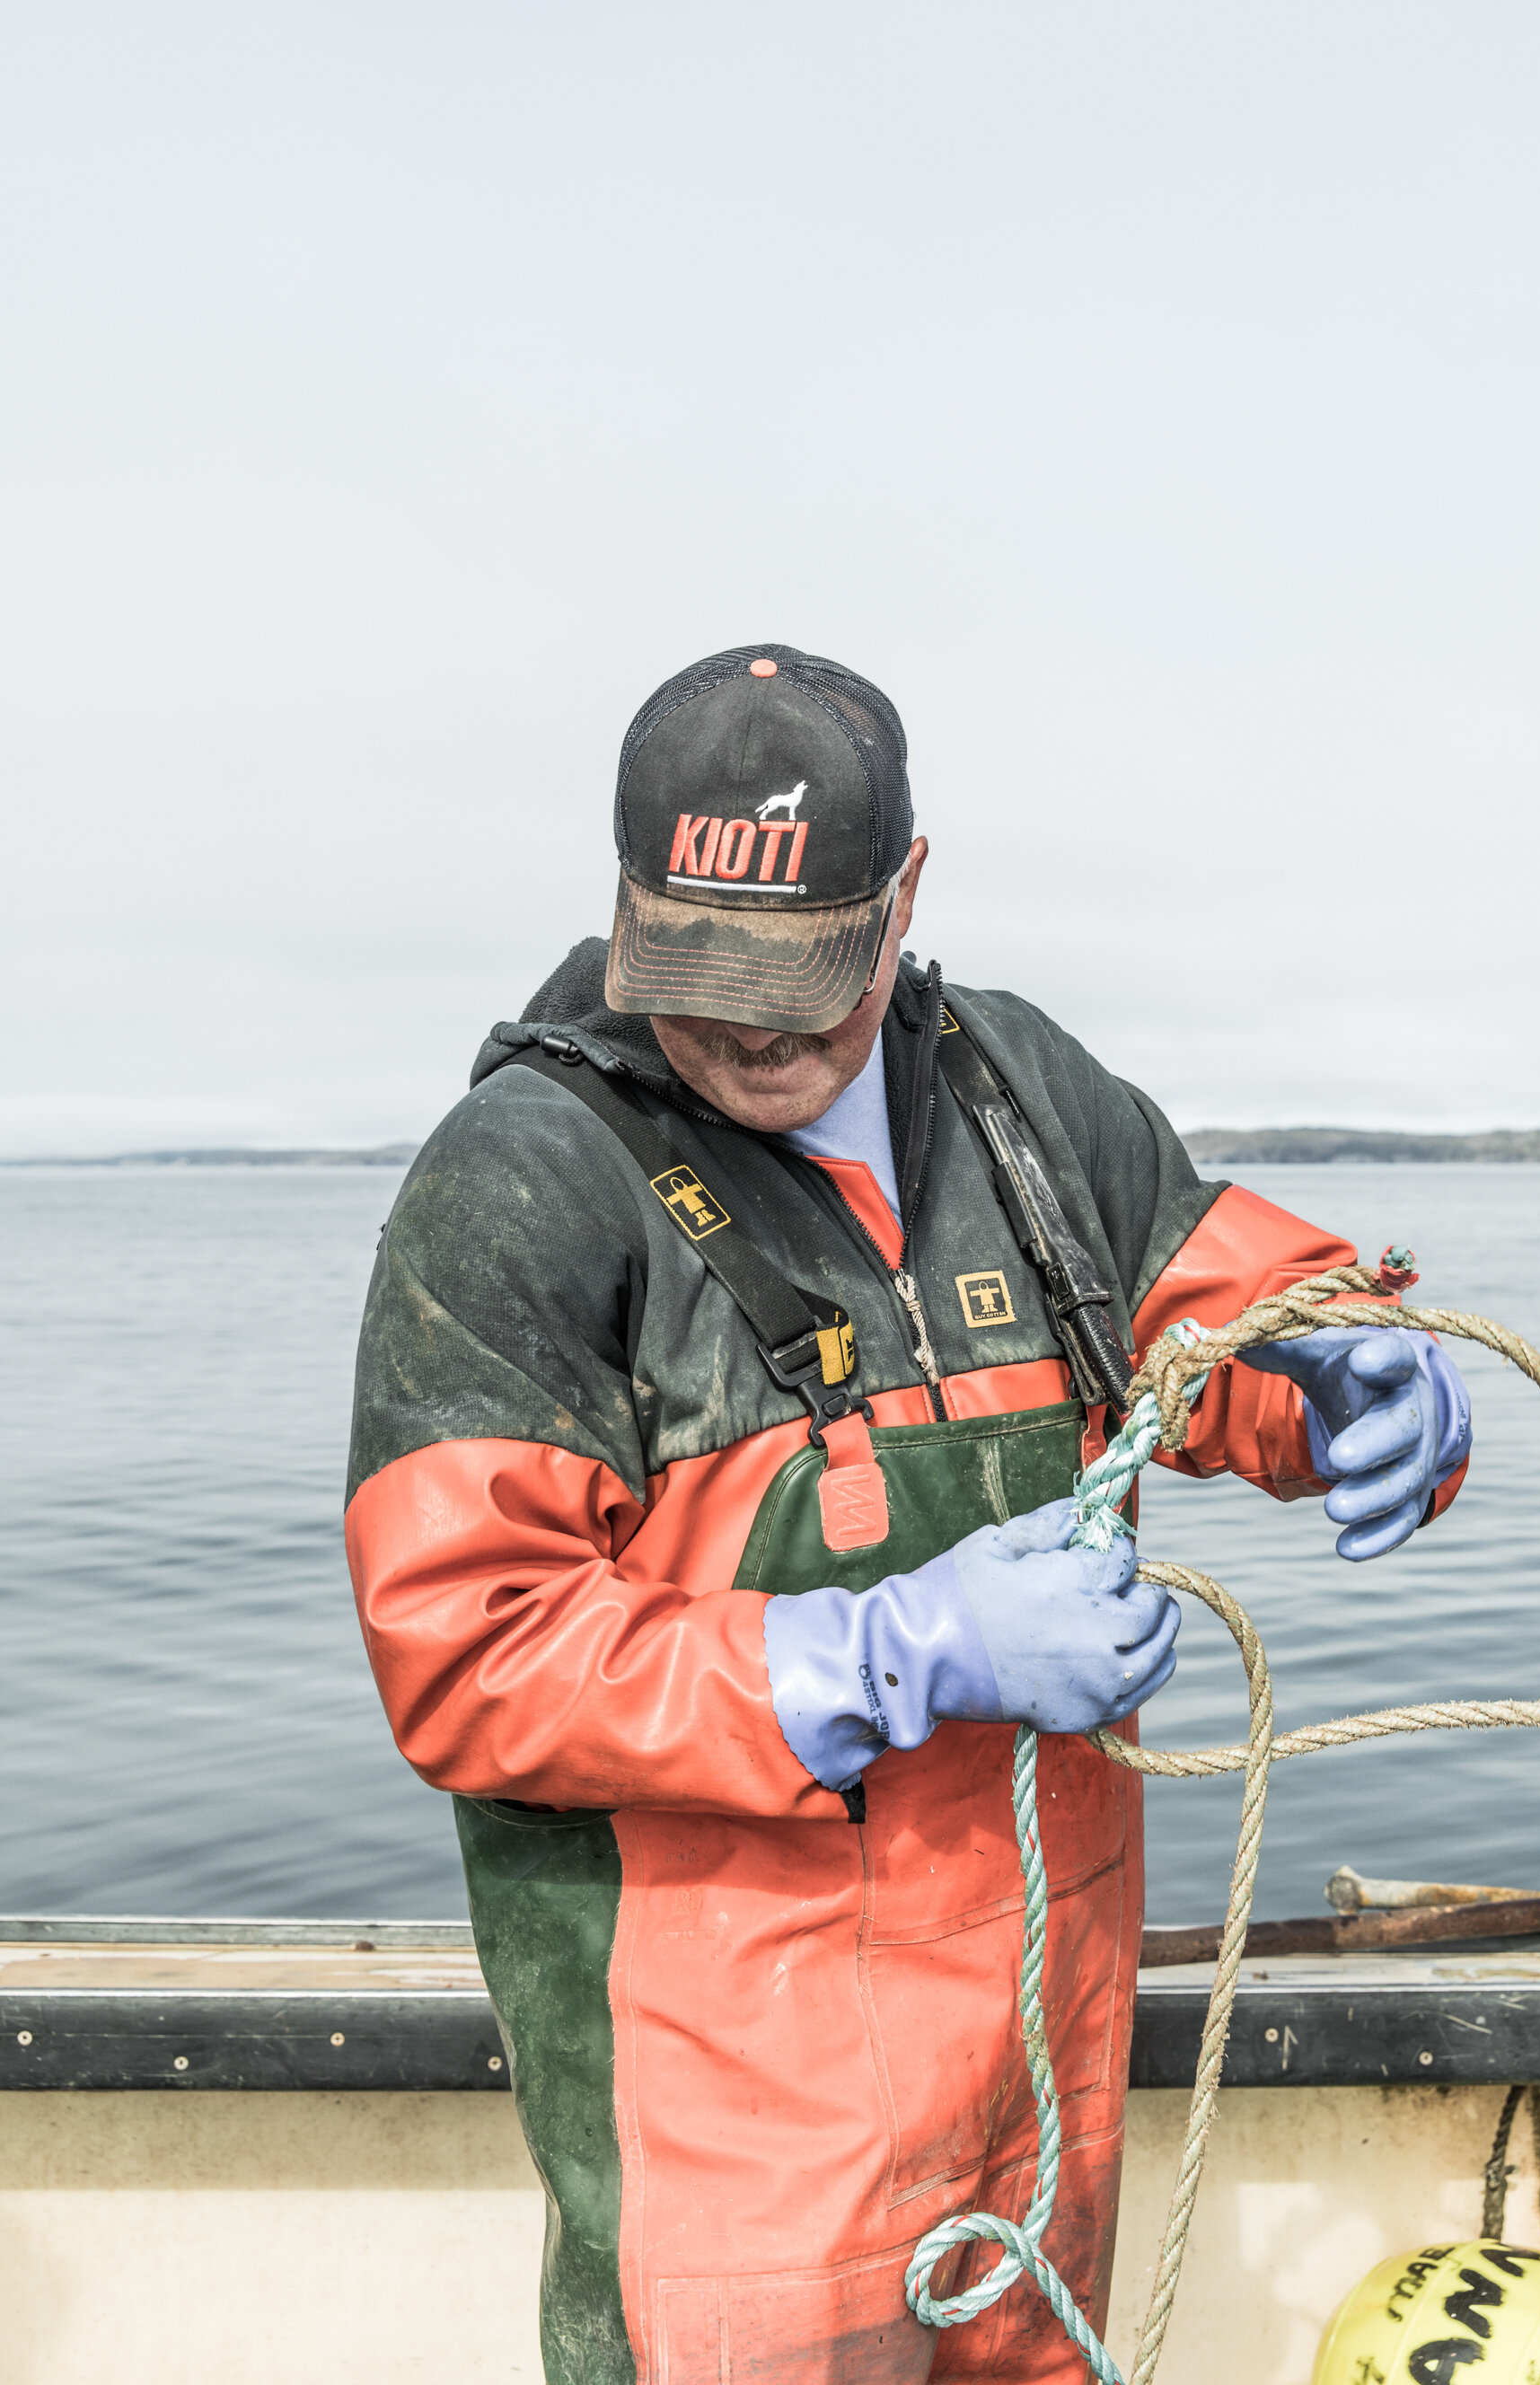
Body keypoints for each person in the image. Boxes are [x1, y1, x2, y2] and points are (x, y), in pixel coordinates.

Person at [346, 644, 1472, 2385]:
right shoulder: (515, 1179)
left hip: (1040, 2090)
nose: (746, 1026)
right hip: (741, 2154)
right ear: (627, 903)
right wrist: (894, 1649)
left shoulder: (1022, 1094)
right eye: (696, 966)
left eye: (801, 972)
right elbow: (468, 1653)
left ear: (903, 900)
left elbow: (1227, 1319)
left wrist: (1355, 1378)